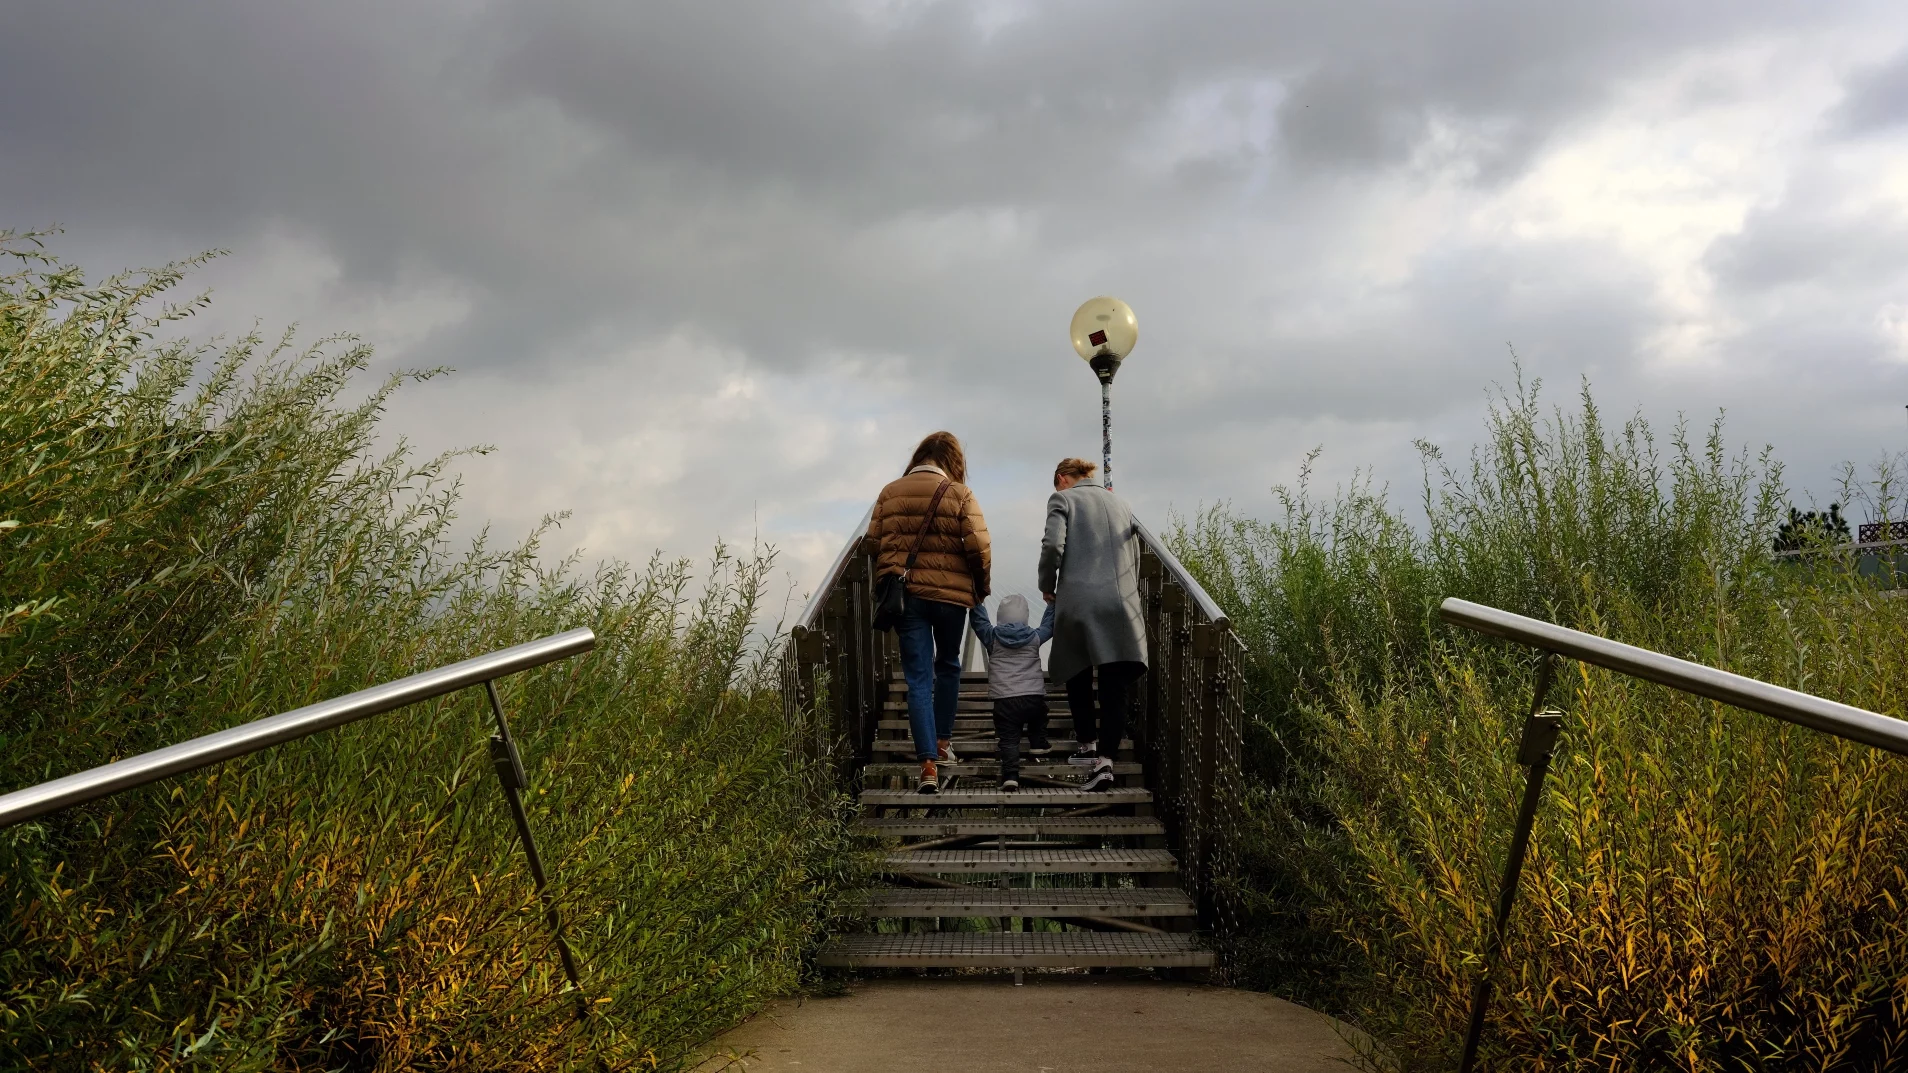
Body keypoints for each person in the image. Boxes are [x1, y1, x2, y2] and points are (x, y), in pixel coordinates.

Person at [864, 431, 991, 794]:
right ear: (952, 462)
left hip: (907, 597)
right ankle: (942, 743)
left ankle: (927, 766)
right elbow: (979, 545)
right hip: (951, 598)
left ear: (918, 457)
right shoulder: (960, 493)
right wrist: (980, 588)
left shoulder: (890, 492)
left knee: (918, 678)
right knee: (948, 664)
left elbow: (873, 543)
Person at [1039, 457, 1146, 793]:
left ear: (1061, 479)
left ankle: (1086, 744)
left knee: (1076, 668)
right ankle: (1106, 762)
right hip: (1121, 600)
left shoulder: (1062, 499)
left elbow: (1053, 545)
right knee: (1114, 687)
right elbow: (1136, 555)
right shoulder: (1122, 503)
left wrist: (1047, 584)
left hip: (1080, 601)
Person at [969, 593, 1056, 792]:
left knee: (1008, 740)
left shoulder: (992, 637)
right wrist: (1052, 605)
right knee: (1040, 716)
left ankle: (1010, 776)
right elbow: (1049, 626)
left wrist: (977, 601)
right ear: (1025, 616)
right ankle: (1038, 742)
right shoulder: (1034, 636)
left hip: (1005, 701)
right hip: (1032, 697)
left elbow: (979, 622)